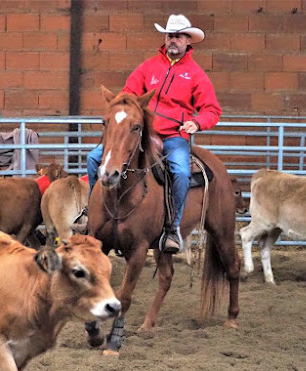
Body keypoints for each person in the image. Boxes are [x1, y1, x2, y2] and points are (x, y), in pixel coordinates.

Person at [87, 14, 222, 253]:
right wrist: (123, 111)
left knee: (180, 171)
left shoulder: (196, 74)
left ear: (187, 41)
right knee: (94, 158)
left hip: (174, 136)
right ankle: (93, 213)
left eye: (178, 36)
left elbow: (212, 109)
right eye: (170, 35)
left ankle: (173, 228)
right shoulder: (148, 67)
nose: (173, 40)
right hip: (142, 133)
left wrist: (197, 123)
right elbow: (127, 94)